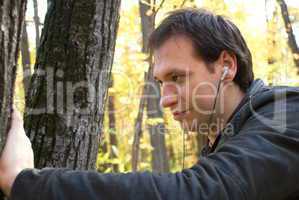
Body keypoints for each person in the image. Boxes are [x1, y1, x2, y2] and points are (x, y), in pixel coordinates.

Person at [1, 8, 299, 200]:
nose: (166, 98)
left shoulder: (286, 115)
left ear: (226, 66)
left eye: (177, 77)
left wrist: (25, 182)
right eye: (161, 82)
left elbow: (200, 194)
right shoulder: (230, 143)